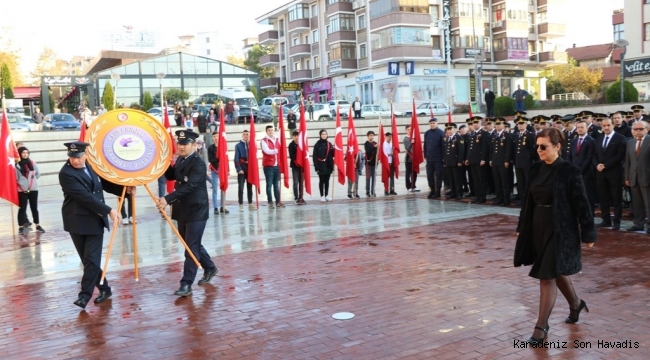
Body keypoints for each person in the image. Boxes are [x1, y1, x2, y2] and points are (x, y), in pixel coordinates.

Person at [514, 127, 596, 344]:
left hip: (561, 229)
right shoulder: (534, 169)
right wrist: (522, 225)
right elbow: (527, 201)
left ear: (558, 147)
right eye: (537, 146)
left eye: (544, 146)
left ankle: (541, 327)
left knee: (546, 275)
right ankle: (576, 303)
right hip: (538, 227)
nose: (539, 151)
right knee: (555, 270)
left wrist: (588, 232)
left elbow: (582, 204)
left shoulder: (569, 171)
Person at [59, 141, 129, 308]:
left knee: (91, 259)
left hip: (94, 220)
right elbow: (85, 197)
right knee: (88, 260)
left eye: (78, 157)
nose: (74, 160)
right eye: (71, 157)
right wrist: (109, 210)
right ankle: (104, 288)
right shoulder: (66, 173)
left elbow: (102, 184)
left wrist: (123, 190)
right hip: (77, 221)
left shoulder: (91, 166)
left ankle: (84, 296)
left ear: (85, 155)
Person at [158, 130, 218, 297]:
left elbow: (190, 186)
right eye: (179, 144)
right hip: (182, 210)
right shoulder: (181, 160)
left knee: (190, 248)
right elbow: (171, 176)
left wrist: (167, 198)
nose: (181, 147)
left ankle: (186, 284)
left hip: (196, 210)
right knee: (192, 244)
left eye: (185, 144)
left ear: (194, 145)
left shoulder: (198, 163)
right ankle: (211, 268)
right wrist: (161, 164)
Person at [594, 118, 626, 230]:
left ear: (613, 125)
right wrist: (597, 164)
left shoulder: (620, 138)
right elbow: (595, 155)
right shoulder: (599, 139)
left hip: (614, 172)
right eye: (604, 126)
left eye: (608, 125)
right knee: (603, 197)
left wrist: (606, 165)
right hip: (600, 173)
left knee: (616, 198)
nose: (606, 128)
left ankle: (616, 221)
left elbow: (620, 155)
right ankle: (606, 219)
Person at [625, 121, 650, 233]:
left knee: (648, 203)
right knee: (637, 203)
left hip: (647, 177)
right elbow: (627, 161)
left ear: (647, 129)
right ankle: (638, 223)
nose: (638, 131)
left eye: (641, 129)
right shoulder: (630, 142)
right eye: (635, 129)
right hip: (633, 177)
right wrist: (627, 177)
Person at [568, 121, 597, 215]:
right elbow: (570, 156)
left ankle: (590, 215)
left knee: (587, 196)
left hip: (586, 174)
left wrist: (579, 170)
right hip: (574, 173)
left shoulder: (591, 141)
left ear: (587, 129)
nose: (580, 129)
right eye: (578, 127)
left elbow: (589, 158)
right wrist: (571, 169)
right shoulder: (574, 141)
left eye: (582, 127)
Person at [16, 147, 44, 234]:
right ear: (20, 154)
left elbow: (38, 174)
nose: (25, 154)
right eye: (23, 153)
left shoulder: (32, 163)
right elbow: (16, 177)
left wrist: (32, 182)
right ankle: (21, 226)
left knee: (34, 208)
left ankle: (37, 225)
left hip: (33, 189)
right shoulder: (16, 165)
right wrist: (24, 185)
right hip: (22, 190)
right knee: (22, 209)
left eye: (27, 153)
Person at [513, 116, 538, 206]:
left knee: (527, 181)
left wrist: (532, 160)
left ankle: (528, 199)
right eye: (518, 124)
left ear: (526, 124)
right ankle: (521, 198)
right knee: (520, 182)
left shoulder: (529, 135)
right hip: (518, 162)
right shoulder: (516, 135)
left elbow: (533, 149)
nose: (520, 125)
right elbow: (515, 149)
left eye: (522, 123)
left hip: (527, 162)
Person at [465, 117, 489, 203]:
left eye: (476, 122)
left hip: (480, 160)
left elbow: (485, 147)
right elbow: (469, 148)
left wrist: (483, 159)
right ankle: (477, 196)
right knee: (475, 179)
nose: (474, 124)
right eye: (473, 123)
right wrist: (468, 158)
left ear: (480, 123)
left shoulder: (483, 133)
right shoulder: (472, 134)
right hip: (472, 160)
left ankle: (482, 197)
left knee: (481, 179)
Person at [489, 118, 512, 205]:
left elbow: (508, 149)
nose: (497, 125)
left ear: (503, 125)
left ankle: (506, 199)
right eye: (496, 124)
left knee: (504, 181)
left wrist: (507, 160)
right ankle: (499, 198)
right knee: (497, 181)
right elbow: (492, 149)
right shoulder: (494, 135)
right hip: (495, 161)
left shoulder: (506, 135)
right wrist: (491, 159)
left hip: (503, 162)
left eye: (499, 124)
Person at [261, 125, 284, 208]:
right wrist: (276, 151)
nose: (271, 132)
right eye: (269, 130)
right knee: (269, 184)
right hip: (268, 166)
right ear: (266, 131)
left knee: (276, 184)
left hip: (276, 165)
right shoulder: (264, 141)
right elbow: (267, 151)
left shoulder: (277, 139)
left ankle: (278, 202)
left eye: (272, 130)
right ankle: (270, 202)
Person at [207, 131, 229, 214]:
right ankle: (216, 207)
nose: (216, 138)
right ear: (212, 138)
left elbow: (226, 158)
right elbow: (210, 159)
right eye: (214, 136)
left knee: (223, 187)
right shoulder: (210, 148)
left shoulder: (223, 147)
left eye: (217, 136)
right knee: (215, 188)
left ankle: (223, 206)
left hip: (222, 169)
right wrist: (219, 159)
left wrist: (227, 169)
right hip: (214, 169)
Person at [424, 118, 445, 198]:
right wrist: (425, 155)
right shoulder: (427, 133)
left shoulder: (441, 133)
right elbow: (425, 145)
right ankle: (432, 190)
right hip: (429, 159)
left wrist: (443, 157)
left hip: (438, 158)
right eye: (431, 123)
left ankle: (438, 191)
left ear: (437, 123)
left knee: (439, 175)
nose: (432, 124)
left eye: (433, 123)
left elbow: (443, 146)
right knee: (429, 175)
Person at [442, 123, 465, 199]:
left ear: (454, 129)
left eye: (450, 129)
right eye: (447, 129)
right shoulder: (447, 138)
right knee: (451, 178)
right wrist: (445, 161)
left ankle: (459, 193)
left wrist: (459, 161)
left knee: (457, 179)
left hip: (456, 162)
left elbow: (461, 151)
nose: (448, 131)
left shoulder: (458, 138)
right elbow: (445, 151)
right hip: (449, 162)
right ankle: (453, 192)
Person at [234, 130, 255, 210]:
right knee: (241, 187)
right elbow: (236, 158)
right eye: (244, 134)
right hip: (242, 166)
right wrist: (238, 168)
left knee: (250, 187)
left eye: (247, 134)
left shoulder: (251, 145)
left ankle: (250, 203)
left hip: (249, 167)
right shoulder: (238, 146)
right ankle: (241, 204)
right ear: (242, 136)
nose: (246, 136)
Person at [313, 129, 334, 202]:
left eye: (325, 134)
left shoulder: (329, 144)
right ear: (320, 135)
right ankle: (322, 196)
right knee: (322, 181)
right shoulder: (317, 144)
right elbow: (314, 157)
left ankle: (327, 195)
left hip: (328, 165)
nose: (324, 135)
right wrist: (316, 167)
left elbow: (332, 154)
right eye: (323, 134)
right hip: (321, 165)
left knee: (327, 181)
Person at [289, 131, 306, 205]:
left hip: (302, 166)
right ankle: (296, 197)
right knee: (295, 182)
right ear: (292, 137)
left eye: (297, 136)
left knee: (301, 182)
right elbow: (291, 156)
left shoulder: (302, 145)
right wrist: (298, 153)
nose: (296, 138)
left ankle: (301, 197)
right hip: (295, 166)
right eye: (295, 136)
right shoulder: (291, 145)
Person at [403, 125, 419, 193]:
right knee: (408, 174)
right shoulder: (406, 139)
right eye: (408, 129)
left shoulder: (413, 137)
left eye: (410, 129)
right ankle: (408, 186)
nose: (409, 130)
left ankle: (413, 186)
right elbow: (408, 148)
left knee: (414, 173)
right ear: (406, 130)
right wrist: (412, 143)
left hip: (414, 159)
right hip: (408, 159)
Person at [364, 131, 378, 197]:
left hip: (374, 163)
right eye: (370, 135)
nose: (371, 137)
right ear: (368, 136)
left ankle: (373, 190)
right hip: (368, 163)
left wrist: (377, 147)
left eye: (372, 135)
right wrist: (374, 147)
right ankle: (367, 191)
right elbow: (368, 151)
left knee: (374, 178)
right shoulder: (366, 144)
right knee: (368, 177)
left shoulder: (375, 143)